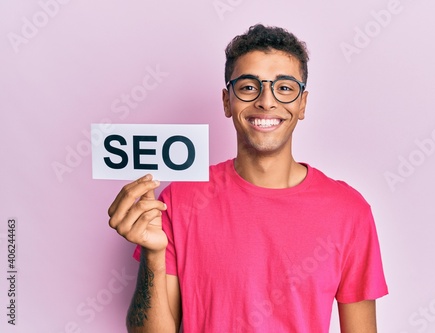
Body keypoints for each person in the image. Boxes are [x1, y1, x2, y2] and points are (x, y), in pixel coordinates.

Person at [108, 24, 388, 332]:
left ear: (302, 104)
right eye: (248, 87)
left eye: (284, 87)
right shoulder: (180, 200)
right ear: (227, 101)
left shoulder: (349, 211)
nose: (266, 101)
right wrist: (153, 255)